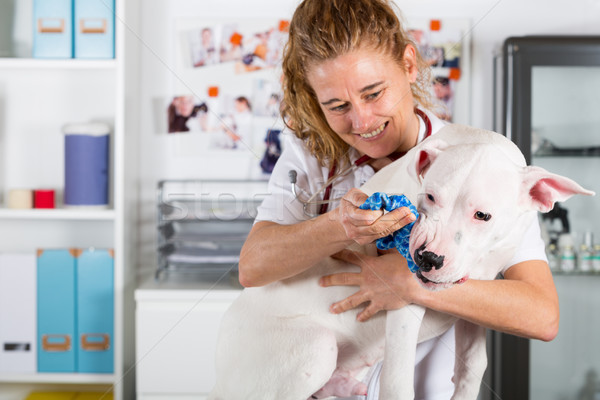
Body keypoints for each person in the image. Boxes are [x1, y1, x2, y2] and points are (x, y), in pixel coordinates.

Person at [238, 0, 559, 398]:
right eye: (337, 106)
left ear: (409, 65)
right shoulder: (312, 157)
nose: (362, 121)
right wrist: (338, 226)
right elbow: (253, 267)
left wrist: (412, 284)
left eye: (374, 93)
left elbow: (541, 315)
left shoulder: (479, 165)